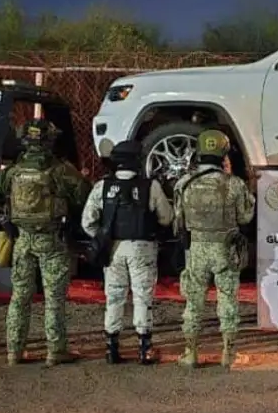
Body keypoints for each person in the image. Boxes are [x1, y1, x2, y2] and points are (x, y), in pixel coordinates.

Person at [0, 119, 91, 366]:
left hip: (21, 240)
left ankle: (14, 351)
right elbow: (84, 195)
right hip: (52, 240)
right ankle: (55, 350)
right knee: (54, 297)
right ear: (50, 141)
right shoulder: (60, 169)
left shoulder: (12, 171)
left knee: (20, 296)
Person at [81, 139, 174, 365]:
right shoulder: (149, 186)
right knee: (143, 296)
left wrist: (102, 236)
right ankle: (144, 348)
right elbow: (166, 217)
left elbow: (87, 222)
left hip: (113, 248)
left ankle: (111, 349)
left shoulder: (102, 186)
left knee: (114, 297)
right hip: (142, 247)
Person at [173, 129, 255, 370]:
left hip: (196, 248)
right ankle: (228, 354)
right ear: (224, 156)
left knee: (193, 301)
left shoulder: (183, 184)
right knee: (228, 300)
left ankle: (190, 353)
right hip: (226, 249)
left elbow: (178, 220)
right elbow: (246, 217)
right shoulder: (234, 184)